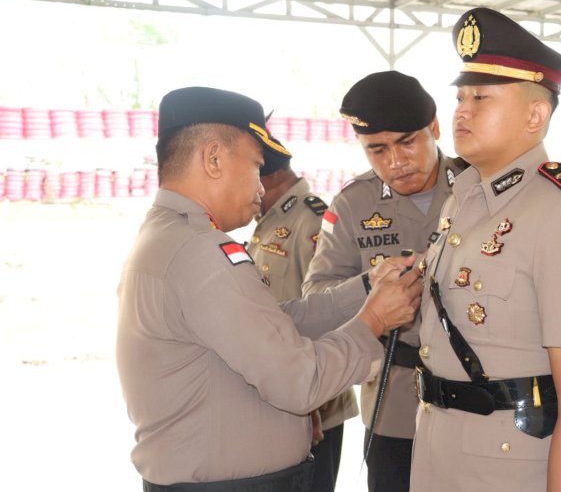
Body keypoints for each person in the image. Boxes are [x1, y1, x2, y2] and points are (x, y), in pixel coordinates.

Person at [116, 86, 423, 492]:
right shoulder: (201, 253)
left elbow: (275, 322)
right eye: (255, 165)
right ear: (213, 159)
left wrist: (367, 286)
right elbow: (301, 381)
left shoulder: (171, 237)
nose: (261, 186)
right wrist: (374, 319)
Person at [409, 8, 561, 492]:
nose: (462, 110)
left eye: (482, 97)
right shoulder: (463, 199)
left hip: (512, 470)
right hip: (438, 456)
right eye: (461, 96)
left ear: (536, 114)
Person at [301, 70, 467, 492]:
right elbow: (316, 298)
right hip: (393, 402)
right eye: (377, 150)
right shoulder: (354, 204)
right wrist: (371, 286)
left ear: (433, 128)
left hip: (476, 400)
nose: (395, 161)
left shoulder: (477, 187)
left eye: (407, 141)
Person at [246, 137, 356, 492]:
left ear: (269, 176)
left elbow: (330, 314)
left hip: (314, 409)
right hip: (281, 400)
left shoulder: (312, 221)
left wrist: (312, 406)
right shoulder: (271, 217)